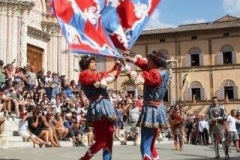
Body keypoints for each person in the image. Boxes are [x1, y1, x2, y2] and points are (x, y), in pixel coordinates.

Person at [125, 50, 169, 160]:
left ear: (155, 62)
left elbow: (137, 79)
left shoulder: (154, 73)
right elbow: (146, 66)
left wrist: (127, 68)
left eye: (149, 60)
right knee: (151, 145)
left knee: (144, 145)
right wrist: (132, 60)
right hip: (158, 107)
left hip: (151, 109)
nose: (147, 61)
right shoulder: (163, 72)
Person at [78, 55, 121, 160]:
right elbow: (101, 77)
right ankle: (84, 159)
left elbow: (109, 75)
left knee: (109, 137)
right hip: (98, 106)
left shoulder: (95, 74)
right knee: (101, 141)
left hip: (106, 105)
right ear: (86, 64)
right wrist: (112, 73)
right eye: (92, 62)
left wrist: (119, 64)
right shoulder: (84, 74)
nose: (95, 63)